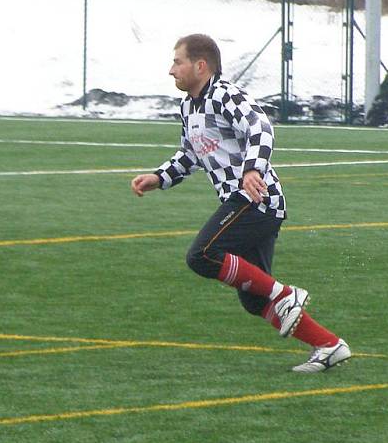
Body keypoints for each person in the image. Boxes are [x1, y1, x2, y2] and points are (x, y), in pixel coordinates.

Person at [131, 33, 351, 373]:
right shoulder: (189, 107)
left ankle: (285, 293)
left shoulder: (223, 94)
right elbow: (190, 154)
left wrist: (252, 170)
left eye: (178, 62)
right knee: (253, 300)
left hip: (255, 198)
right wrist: (159, 178)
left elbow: (261, 128)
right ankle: (329, 345)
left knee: (201, 255)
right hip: (246, 202)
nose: (171, 70)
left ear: (200, 66)